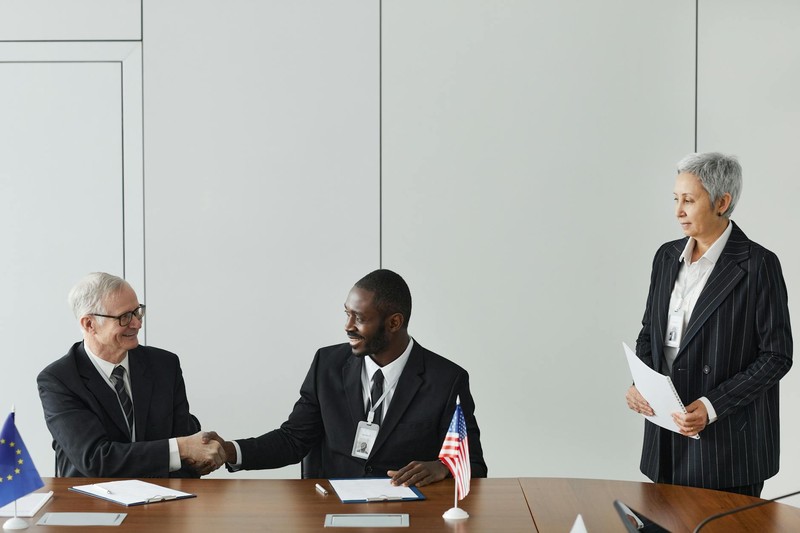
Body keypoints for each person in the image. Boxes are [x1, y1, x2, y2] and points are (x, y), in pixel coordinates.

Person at [206, 269, 487, 486]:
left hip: (410, 513)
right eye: (347, 313)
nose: (348, 326)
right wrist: (231, 451)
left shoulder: (447, 380)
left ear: (394, 323)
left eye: (359, 318)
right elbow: (293, 440)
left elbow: (473, 464)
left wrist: (443, 467)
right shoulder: (326, 365)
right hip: (331, 510)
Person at [625, 153, 793, 497]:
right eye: (676, 199)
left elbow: (777, 356)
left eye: (689, 200)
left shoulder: (759, 264)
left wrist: (712, 406)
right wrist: (640, 384)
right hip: (666, 438)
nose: (678, 210)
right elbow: (649, 335)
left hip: (728, 446)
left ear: (722, 202)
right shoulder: (666, 256)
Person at [38, 272, 226, 478]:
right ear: (89, 324)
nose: (137, 324)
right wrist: (180, 448)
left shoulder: (165, 365)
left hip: (165, 498)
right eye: (124, 317)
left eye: (137, 312)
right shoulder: (59, 380)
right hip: (92, 502)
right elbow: (96, 459)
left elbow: (187, 443)